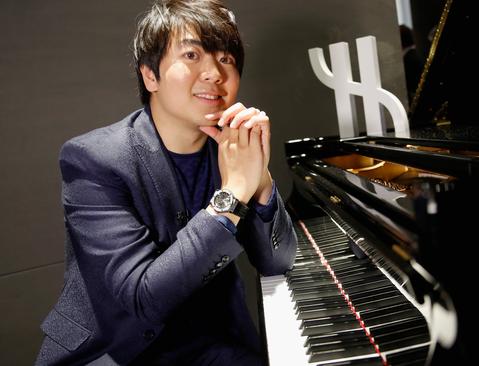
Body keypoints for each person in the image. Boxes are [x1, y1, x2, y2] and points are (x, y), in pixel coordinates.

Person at [35, 0, 297, 365]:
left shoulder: (231, 150)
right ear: (150, 76)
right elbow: (142, 299)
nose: (214, 74)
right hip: (115, 352)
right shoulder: (93, 159)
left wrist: (261, 177)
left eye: (226, 59)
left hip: (210, 344)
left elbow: (277, 262)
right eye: (191, 55)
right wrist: (234, 191)